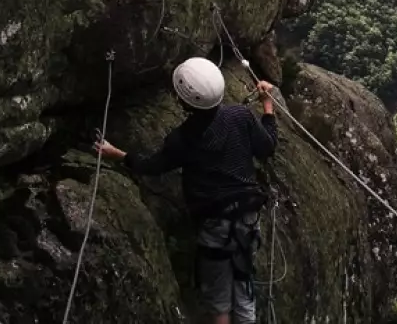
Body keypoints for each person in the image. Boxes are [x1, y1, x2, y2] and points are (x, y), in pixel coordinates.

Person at [94, 57, 278, 324]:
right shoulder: (240, 116)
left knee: (220, 303)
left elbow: (151, 166)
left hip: (214, 225)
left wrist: (118, 154)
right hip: (246, 219)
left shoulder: (182, 139)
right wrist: (267, 105)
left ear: (184, 100)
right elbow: (268, 147)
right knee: (243, 285)